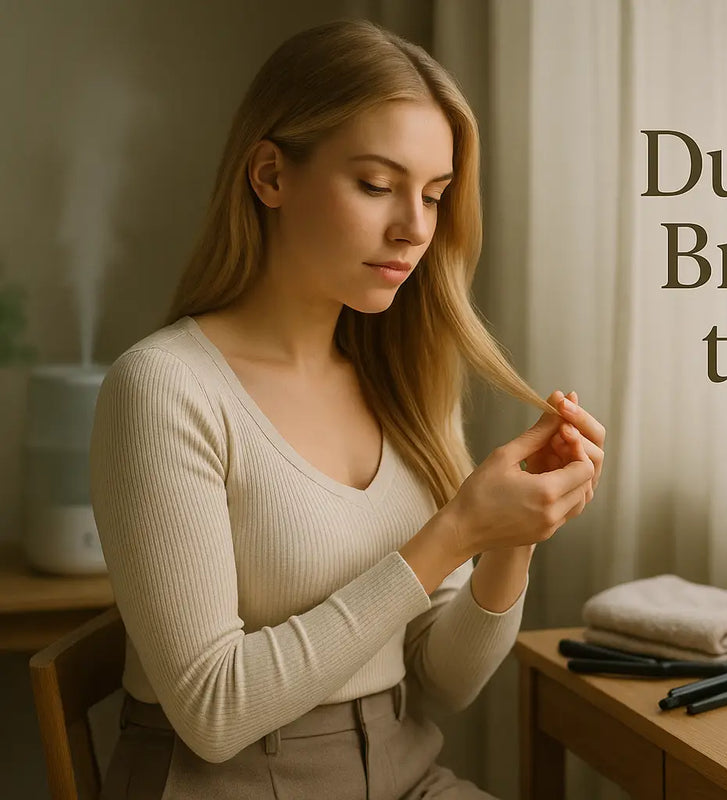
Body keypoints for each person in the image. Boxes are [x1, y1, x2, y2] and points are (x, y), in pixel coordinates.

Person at [90, 18, 604, 800]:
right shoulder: (164, 388)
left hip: (403, 772)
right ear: (269, 175)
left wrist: (510, 538)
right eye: (375, 185)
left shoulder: (404, 379)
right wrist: (456, 530)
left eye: (434, 195)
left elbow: (447, 676)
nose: (415, 227)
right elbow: (214, 712)